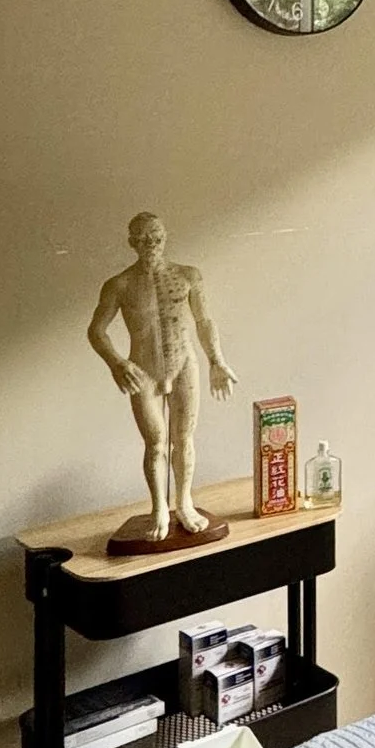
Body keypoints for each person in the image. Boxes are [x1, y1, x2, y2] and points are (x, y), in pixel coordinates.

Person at [85, 214, 238, 545]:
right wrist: (116, 363)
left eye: (155, 237)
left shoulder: (187, 276)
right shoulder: (119, 285)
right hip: (144, 369)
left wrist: (217, 361)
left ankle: (184, 502)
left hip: (183, 363)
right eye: (141, 239)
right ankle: (159, 509)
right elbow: (96, 331)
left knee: (183, 438)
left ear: (165, 237)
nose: (149, 244)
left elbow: (204, 320)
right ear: (131, 243)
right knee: (156, 442)